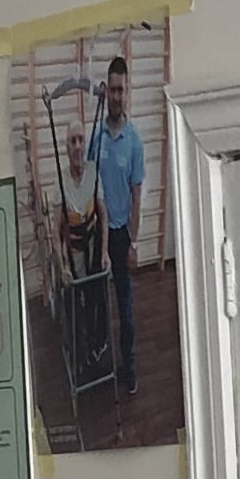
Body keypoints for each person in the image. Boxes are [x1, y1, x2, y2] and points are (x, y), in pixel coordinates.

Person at [92, 53, 145, 394]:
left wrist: (135, 243)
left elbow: (137, 194)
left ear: (127, 92)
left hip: (123, 233)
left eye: (120, 90)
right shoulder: (96, 136)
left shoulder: (135, 140)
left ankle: (129, 367)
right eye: (111, 89)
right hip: (99, 233)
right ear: (106, 91)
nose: (115, 96)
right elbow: (87, 185)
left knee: (126, 308)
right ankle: (96, 357)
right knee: (97, 301)